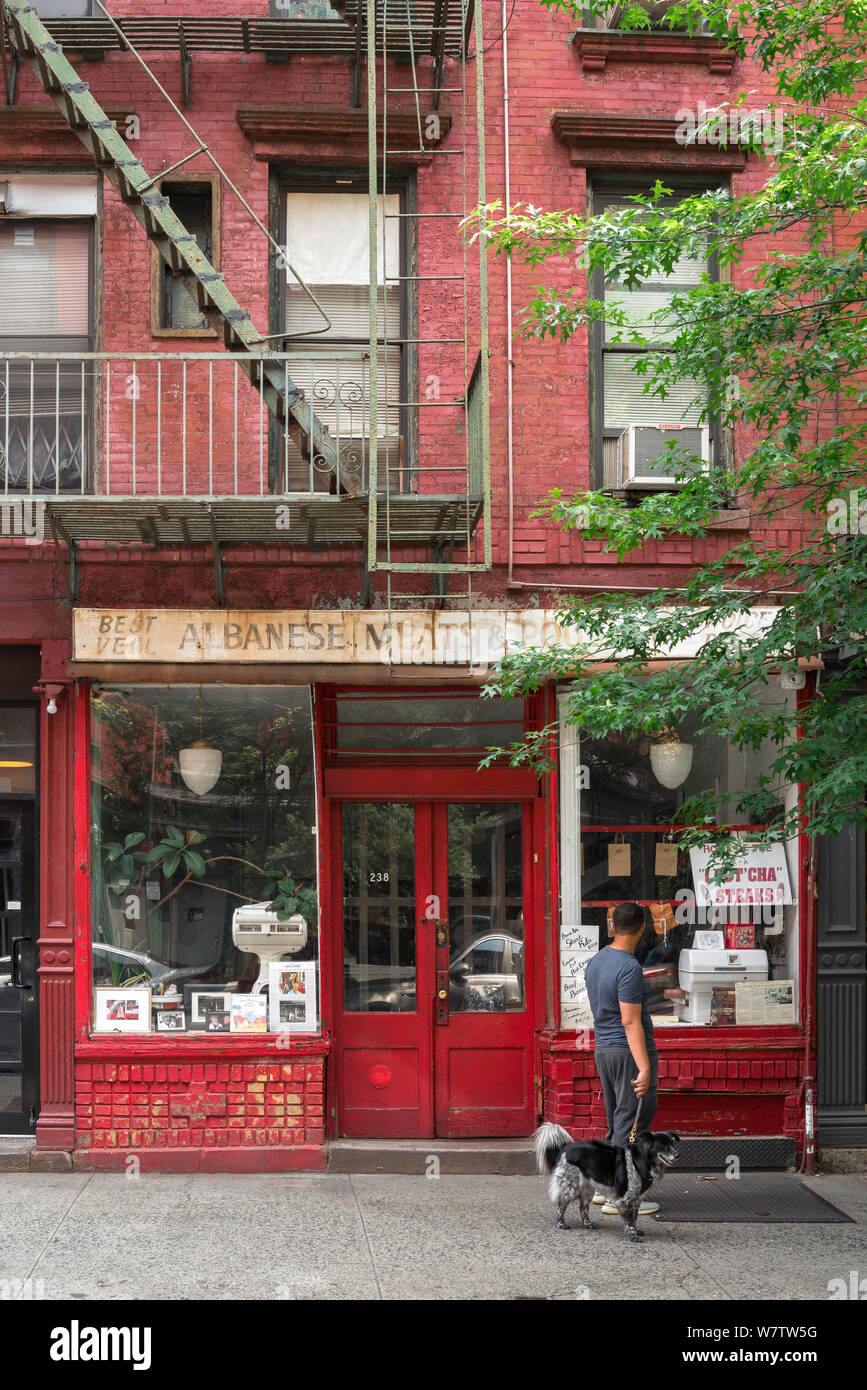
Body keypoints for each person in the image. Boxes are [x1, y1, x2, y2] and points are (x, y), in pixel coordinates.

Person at [584, 900, 660, 1217]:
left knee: (617, 1120)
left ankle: (605, 1189)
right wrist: (644, 1066)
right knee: (633, 1121)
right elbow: (630, 1022)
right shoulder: (629, 968)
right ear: (643, 928)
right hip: (626, 1052)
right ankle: (622, 1195)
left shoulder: (596, 962)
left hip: (604, 1049)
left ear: (612, 926)